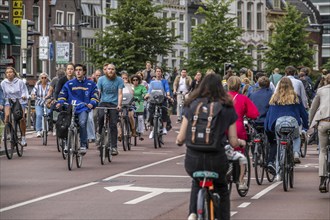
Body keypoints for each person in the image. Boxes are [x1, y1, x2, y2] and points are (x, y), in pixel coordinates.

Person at [176, 73, 245, 220]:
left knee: (196, 181)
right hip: (216, 160)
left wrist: (180, 141)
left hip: (193, 160)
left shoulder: (191, 105)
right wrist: (241, 142)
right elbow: (233, 141)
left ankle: (193, 214)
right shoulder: (227, 107)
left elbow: (180, 138)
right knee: (221, 187)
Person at [265, 77, 309, 165]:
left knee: (278, 145)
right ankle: (296, 152)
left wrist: (268, 127)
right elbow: (303, 113)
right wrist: (305, 126)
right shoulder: (296, 97)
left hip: (278, 122)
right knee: (296, 136)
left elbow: (270, 114)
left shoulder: (274, 97)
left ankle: (278, 172)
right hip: (292, 121)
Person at [56, 64, 99, 154]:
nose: (78, 71)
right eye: (76, 70)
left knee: (82, 123)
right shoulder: (69, 84)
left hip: (83, 108)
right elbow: (62, 94)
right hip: (71, 108)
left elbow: (95, 95)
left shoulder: (91, 84)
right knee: (67, 125)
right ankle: (67, 143)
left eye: (80, 70)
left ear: (84, 72)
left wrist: (92, 103)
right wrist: (60, 102)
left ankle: (83, 145)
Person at [227, 75, 259, 189]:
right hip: (237, 128)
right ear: (239, 86)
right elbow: (254, 114)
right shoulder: (242, 98)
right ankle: (241, 181)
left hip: (222, 128)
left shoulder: (221, 98)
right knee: (241, 153)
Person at [249, 76, 276, 172]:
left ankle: (255, 154)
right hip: (266, 122)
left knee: (254, 136)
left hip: (255, 121)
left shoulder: (253, 94)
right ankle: (270, 161)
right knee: (273, 142)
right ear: (269, 84)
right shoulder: (272, 94)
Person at [309, 74, 330, 192]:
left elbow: (313, 108)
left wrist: (309, 123)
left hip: (323, 122)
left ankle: (322, 180)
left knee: (322, 150)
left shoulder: (321, 91)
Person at [97, 63, 124, 156]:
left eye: (112, 69)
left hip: (113, 104)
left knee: (113, 124)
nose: (110, 71)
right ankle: (99, 135)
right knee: (100, 117)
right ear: (106, 70)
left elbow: (120, 93)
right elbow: (98, 92)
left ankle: (114, 147)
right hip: (103, 102)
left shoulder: (119, 80)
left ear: (115, 70)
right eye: (109, 69)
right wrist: (96, 101)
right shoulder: (101, 79)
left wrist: (119, 105)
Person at [1, 66, 29, 146]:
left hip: (19, 101)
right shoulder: (3, 83)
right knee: (6, 116)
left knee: (22, 118)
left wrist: (24, 96)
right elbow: (2, 94)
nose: (9, 74)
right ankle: (7, 133)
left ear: (14, 73)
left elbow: (24, 91)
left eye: (10, 72)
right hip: (8, 101)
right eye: (7, 73)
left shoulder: (19, 82)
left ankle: (23, 137)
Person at [144, 66, 172, 139]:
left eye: (159, 71)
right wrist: (147, 95)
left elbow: (167, 88)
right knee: (150, 112)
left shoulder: (164, 81)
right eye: (157, 71)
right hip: (153, 99)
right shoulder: (152, 81)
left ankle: (164, 128)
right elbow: (150, 90)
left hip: (162, 99)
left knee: (165, 111)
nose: (158, 72)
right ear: (155, 73)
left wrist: (168, 95)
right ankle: (153, 130)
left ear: (161, 73)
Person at [31, 72, 51, 137]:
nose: (44, 79)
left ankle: (46, 128)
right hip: (39, 103)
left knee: (48, 114)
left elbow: (51, 92)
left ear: (47, 78)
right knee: (39, 115)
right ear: (40, 78)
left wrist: (50, 99)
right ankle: (38, 131)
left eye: (45, 78)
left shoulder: (49, 85)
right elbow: (33, 92)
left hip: (47, 103)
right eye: (42, 78)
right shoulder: (37, 85)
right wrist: (33, 95)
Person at [121, 71, 137, 137]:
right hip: (122, 104)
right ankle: (120, 132)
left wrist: (127, 85)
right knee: (120, 117)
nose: (125, 80)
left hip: (129, 104)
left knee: (130, 116)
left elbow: (132, 93)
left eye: (126, 78)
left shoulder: (131, 85)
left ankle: (133, 130)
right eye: (123, 78)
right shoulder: (119, 86)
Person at [131, 74, 147, 140]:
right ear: (131, 81)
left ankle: (140, 133)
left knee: (140, 117)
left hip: (139, 103)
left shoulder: (141, 87)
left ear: (139, 80)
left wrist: (145, 96)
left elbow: (145, 92)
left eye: (136, 80)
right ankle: (130, 130)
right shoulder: (130, 87)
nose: (135, 81)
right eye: (133, 80)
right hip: (131, 103)